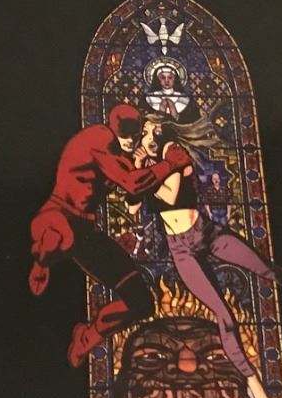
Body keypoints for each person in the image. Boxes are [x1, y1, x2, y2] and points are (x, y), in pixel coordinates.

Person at [131, 119, 282, 398]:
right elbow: (133, 206)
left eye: (153, 129)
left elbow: (170, 195)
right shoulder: (147, 165)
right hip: (181, 250)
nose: (148, 135)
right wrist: (137, 168)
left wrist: (144, 173)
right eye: (144, 132)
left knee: (267, 269)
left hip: (206, 232)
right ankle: (254, 385)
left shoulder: (172, 152)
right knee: (226, 319)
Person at [27, 104, 193, 366]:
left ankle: (87, 338)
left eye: (134, 136)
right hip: (57, 216)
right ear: (112, 128)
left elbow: (133, 195)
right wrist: (169, 164)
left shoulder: (121, 153)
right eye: (124, 136)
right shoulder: (98, 140)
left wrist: (143, 165)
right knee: (60, 235)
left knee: (141, 304)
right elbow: (133, 183)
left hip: (85, 232)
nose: (130, 142)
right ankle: (43, 260)